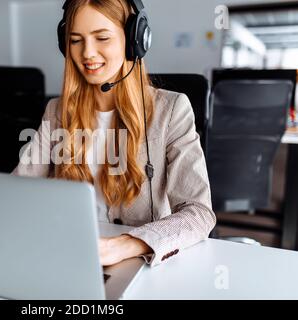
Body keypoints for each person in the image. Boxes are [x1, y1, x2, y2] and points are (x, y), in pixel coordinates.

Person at [12, 0, 216, 267]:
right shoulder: (57, 111)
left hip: (141, 261)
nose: (88, 53)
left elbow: (199, 213)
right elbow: (19, 191)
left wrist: (124, 245)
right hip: (70, 254)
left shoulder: (172, 111)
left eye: (102, 38)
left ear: (134, 40)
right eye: (75, 40)